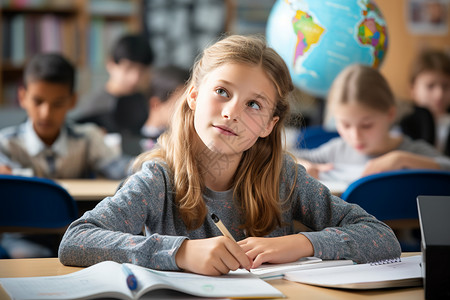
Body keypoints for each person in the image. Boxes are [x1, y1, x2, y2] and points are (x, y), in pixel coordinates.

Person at [59, 35, 401, 275]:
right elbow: (76, 240)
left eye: (254, 104)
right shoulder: (159, 178)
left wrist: (302, 243)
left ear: (269, 124)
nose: (231, 113)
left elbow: (381, 237)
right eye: (222, 92)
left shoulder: (283, 176)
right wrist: (180, 252)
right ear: (193, 96)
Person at [0, 53, 131, 259]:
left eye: (58, 103)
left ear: (73, 101)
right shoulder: (5, 144)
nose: (46, 112)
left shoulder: (88, 137)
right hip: (23, 237)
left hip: (78, 235)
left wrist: (153, 161)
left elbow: (121, 168)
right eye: (38, 101)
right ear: (22, 97)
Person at [295, 64, 450, 182]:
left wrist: (401, 160)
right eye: (345, 125)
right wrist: (303, 165)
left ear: (390, 114)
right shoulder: (337, 149)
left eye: (366, 125)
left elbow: (446, 165)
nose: (355, 136)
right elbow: (283, 157)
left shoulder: (410, 150)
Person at [73, 33, 154, 155]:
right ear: (110, 63)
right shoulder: (94, 107)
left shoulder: (149, 101)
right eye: (128, 68)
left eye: (141, 70)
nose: (135, 78)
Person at [399, 49, 450, 156]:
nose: (439, 94)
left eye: (445, 86)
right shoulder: (403, 123)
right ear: (413, 89)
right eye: (430, 86)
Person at [140, 65, 190, 151]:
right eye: (180, 104)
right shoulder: (133, 139)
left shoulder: (182, 139)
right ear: (156, 104)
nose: (188, 110)